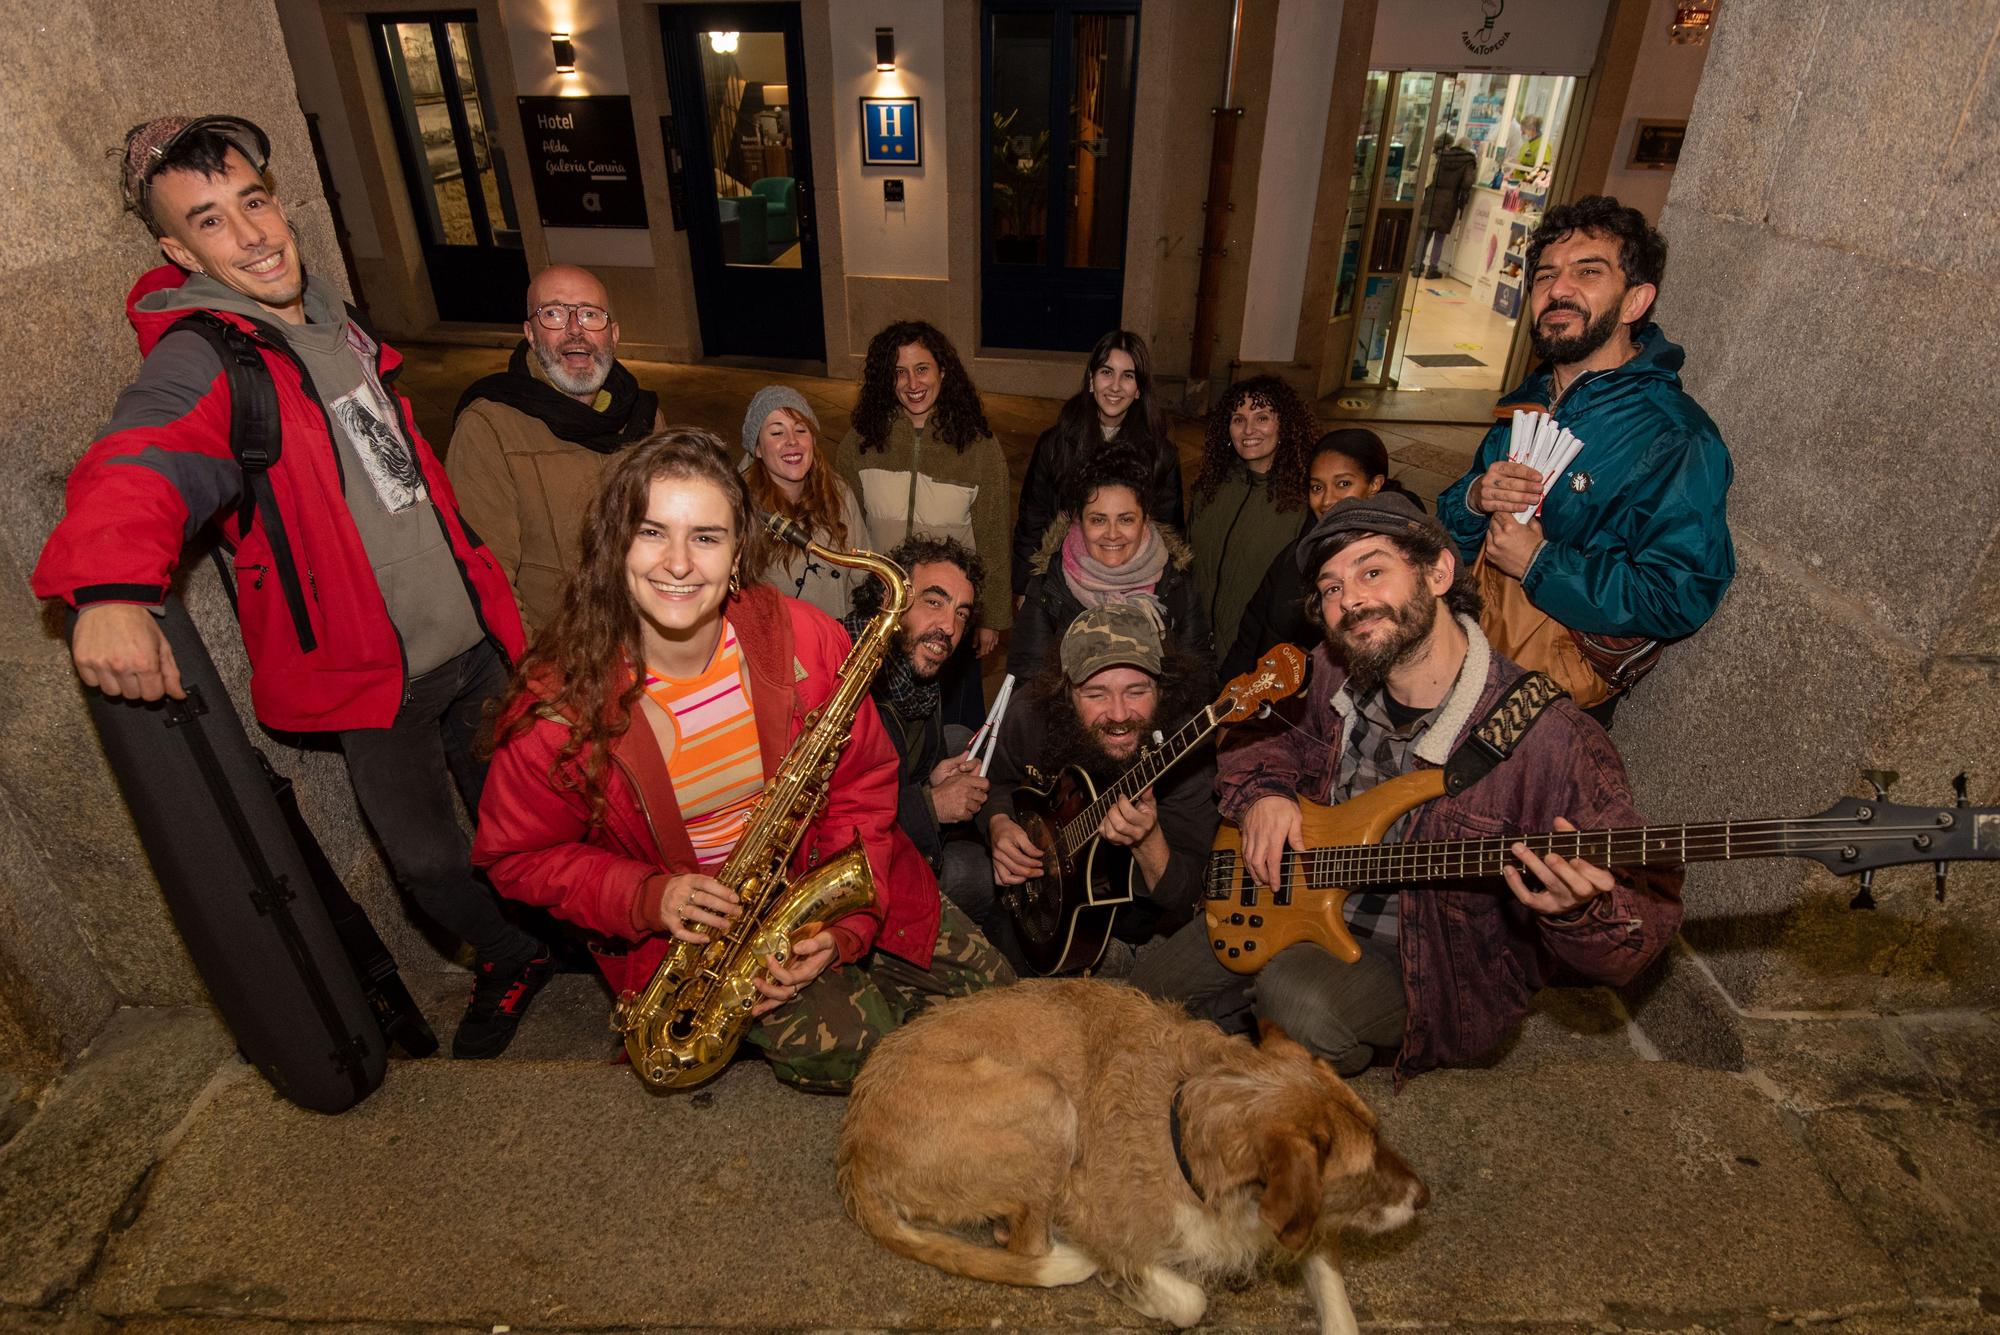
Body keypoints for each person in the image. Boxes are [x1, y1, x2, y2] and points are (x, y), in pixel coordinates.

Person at [33, 115, 549, 1059]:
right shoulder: (207, 354)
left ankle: (555, 933)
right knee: (430, 857)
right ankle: (516, 956)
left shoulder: (329, 319)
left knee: (520, 817)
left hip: (471, 641)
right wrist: (109, 586)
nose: (254, 235)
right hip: (373, 674)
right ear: (176, 248)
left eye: (256, 203)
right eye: (213, 221)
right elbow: (143, 452)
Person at [473, 431, 1009, 1092]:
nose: (678, 563)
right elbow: (514, 857)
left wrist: (847, 923)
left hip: (830, 877)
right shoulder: (558, 708)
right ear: (614, 547)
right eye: (651, 531)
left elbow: (864, 782)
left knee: (1004, 1004)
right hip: (703, 941)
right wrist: (648, 894)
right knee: (867, 1053)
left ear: (736, 557)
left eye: (705, 536)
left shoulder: (807, 637)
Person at [1132, 492, 1683, 1081]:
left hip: (1421, 958)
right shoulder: (1328, 671)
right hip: (1288, 902)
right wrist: (1265, 793)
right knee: (1143, 999)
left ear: (1440, 572)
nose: (1352, 600)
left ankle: (1285, 1044)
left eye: (1373, 570)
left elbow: (1642, 921)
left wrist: (1577, 912)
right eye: (1332, 587)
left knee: (1295, 999)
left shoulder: (1551, 738)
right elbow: (1252, 735)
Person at [1434, 195, 1734, 718]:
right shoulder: (1525, 403)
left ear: (1635, 302)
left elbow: (1678, 595)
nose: (1559, 290)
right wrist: (1476, 498)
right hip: (1465, 658)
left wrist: (1539, 563)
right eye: (1546, 275)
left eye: (1587, 272)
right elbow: (1445, 534)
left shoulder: (1675, 437)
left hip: (1551, 703)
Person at [980, 602, 1220, 968]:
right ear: (1065, 694)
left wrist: (1149, 842)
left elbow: (1191, 897)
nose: (1120, 714)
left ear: (1162, 688)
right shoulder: (1029, 715)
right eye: (1096, 695)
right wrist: (998, 822)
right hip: (1038, 906)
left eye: (1137, 691)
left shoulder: (1187, 753)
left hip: (1138, 927)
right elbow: (992, 781)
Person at [448, 265, 663, 639]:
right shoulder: (490, 426)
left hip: (652, 642)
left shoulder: (645, 418)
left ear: (613, 335)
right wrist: (538, 679)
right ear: (530, 334)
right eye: (554, 313)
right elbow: (487, 579)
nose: (575, 329)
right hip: (564, 659)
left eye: (590, 314)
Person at [833, 321, 1012, 727]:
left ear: (943, 373)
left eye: (922, 369)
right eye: (899, 371)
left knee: (948, 724)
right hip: (883, 611)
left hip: (948, 615)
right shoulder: (860, 443)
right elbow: (844, 530)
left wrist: (991, 618)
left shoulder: (978, 447)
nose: (911, 382)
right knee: (881, 726)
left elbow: (994, 535)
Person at [842, 535, 994, 930]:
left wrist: (932, 779)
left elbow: (899, 770)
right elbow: (834, 819)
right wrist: (930, 805)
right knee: (976, 872)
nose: (949, 626)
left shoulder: (920, 678)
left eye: (962, 613)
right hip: (850, 870)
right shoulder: (843, 676)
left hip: (900, 835)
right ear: (890, 597)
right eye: (934, 601)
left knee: (960, 739)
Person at [1221, 429, 1423, 679]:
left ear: (1374, 484)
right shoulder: (1297, 554)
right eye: (1317, 487)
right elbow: (1254, 628)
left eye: (1343, 484)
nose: (1327, 500)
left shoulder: (1405, 556)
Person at [1008, 444, 1213, 681]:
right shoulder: (1048, 586)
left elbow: (1199, 680)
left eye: (1126, 519)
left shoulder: (1175, 584)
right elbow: (1028, 685)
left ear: (1145, 519)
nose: (1112, 534)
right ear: (1080, 521)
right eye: (1098, 520)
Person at [1009, 330, 1184, 601]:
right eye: (1106, 372)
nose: (1115, 386)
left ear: (1139, 389)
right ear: (1091, 380)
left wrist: (1166, 595)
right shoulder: (1056, 444)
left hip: (1132, 587)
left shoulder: (1161, 454)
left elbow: (1168, 531)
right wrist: (1025, 586)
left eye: (1127, 376)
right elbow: (1033, 518)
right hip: (1063, 583)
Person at [1187, 375, 1318, 659]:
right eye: (1238, 419)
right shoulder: (1210, 488)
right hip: (1195, 646)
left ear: (1284, 424)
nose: (1248, 430)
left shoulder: (1302, 502)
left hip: (1253, 656)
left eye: (1261, 418)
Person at [739, 385, 874, 619]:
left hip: (838, 643)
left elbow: (862, 576)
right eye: (777, 432)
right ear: (758, 448)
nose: (792, 441)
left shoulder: (839, 492)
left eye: (801, 430)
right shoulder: (739, 507)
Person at [1413, 134, 1478, 280]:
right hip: (1449, 201)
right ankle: (1432, 268)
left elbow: (1435, 175)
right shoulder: (1468, 161)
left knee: (1425, 234)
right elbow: (1467, 181)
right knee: (1439, 237)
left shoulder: (1443, 156)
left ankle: (1417, 267)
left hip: (1433, 196)